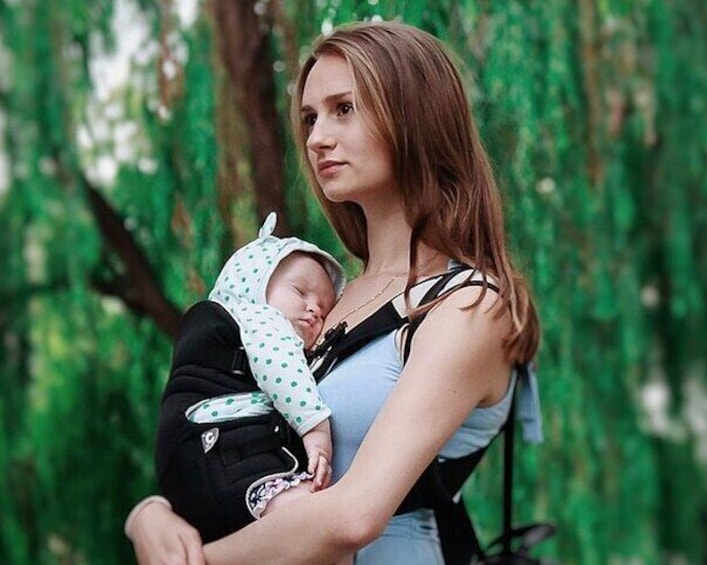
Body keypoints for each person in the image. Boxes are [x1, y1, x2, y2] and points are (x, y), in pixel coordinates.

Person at [126, 20, 541, 565]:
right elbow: (238, 430)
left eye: (345, 108)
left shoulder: (467, 305)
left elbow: (353, 518)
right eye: (309, 117)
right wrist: (152, 513)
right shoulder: (321, 301)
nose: (317, 137)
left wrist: (195, 560)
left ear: (415, 117)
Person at [150, 211, 346, 542]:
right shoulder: (258, 319)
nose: (314, 310)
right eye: (301, 292)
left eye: (324, 309)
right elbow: (280, 365)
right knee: (313, 521)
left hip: (192, 471)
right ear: (255, 282)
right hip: (219, 451)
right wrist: (315, 430)